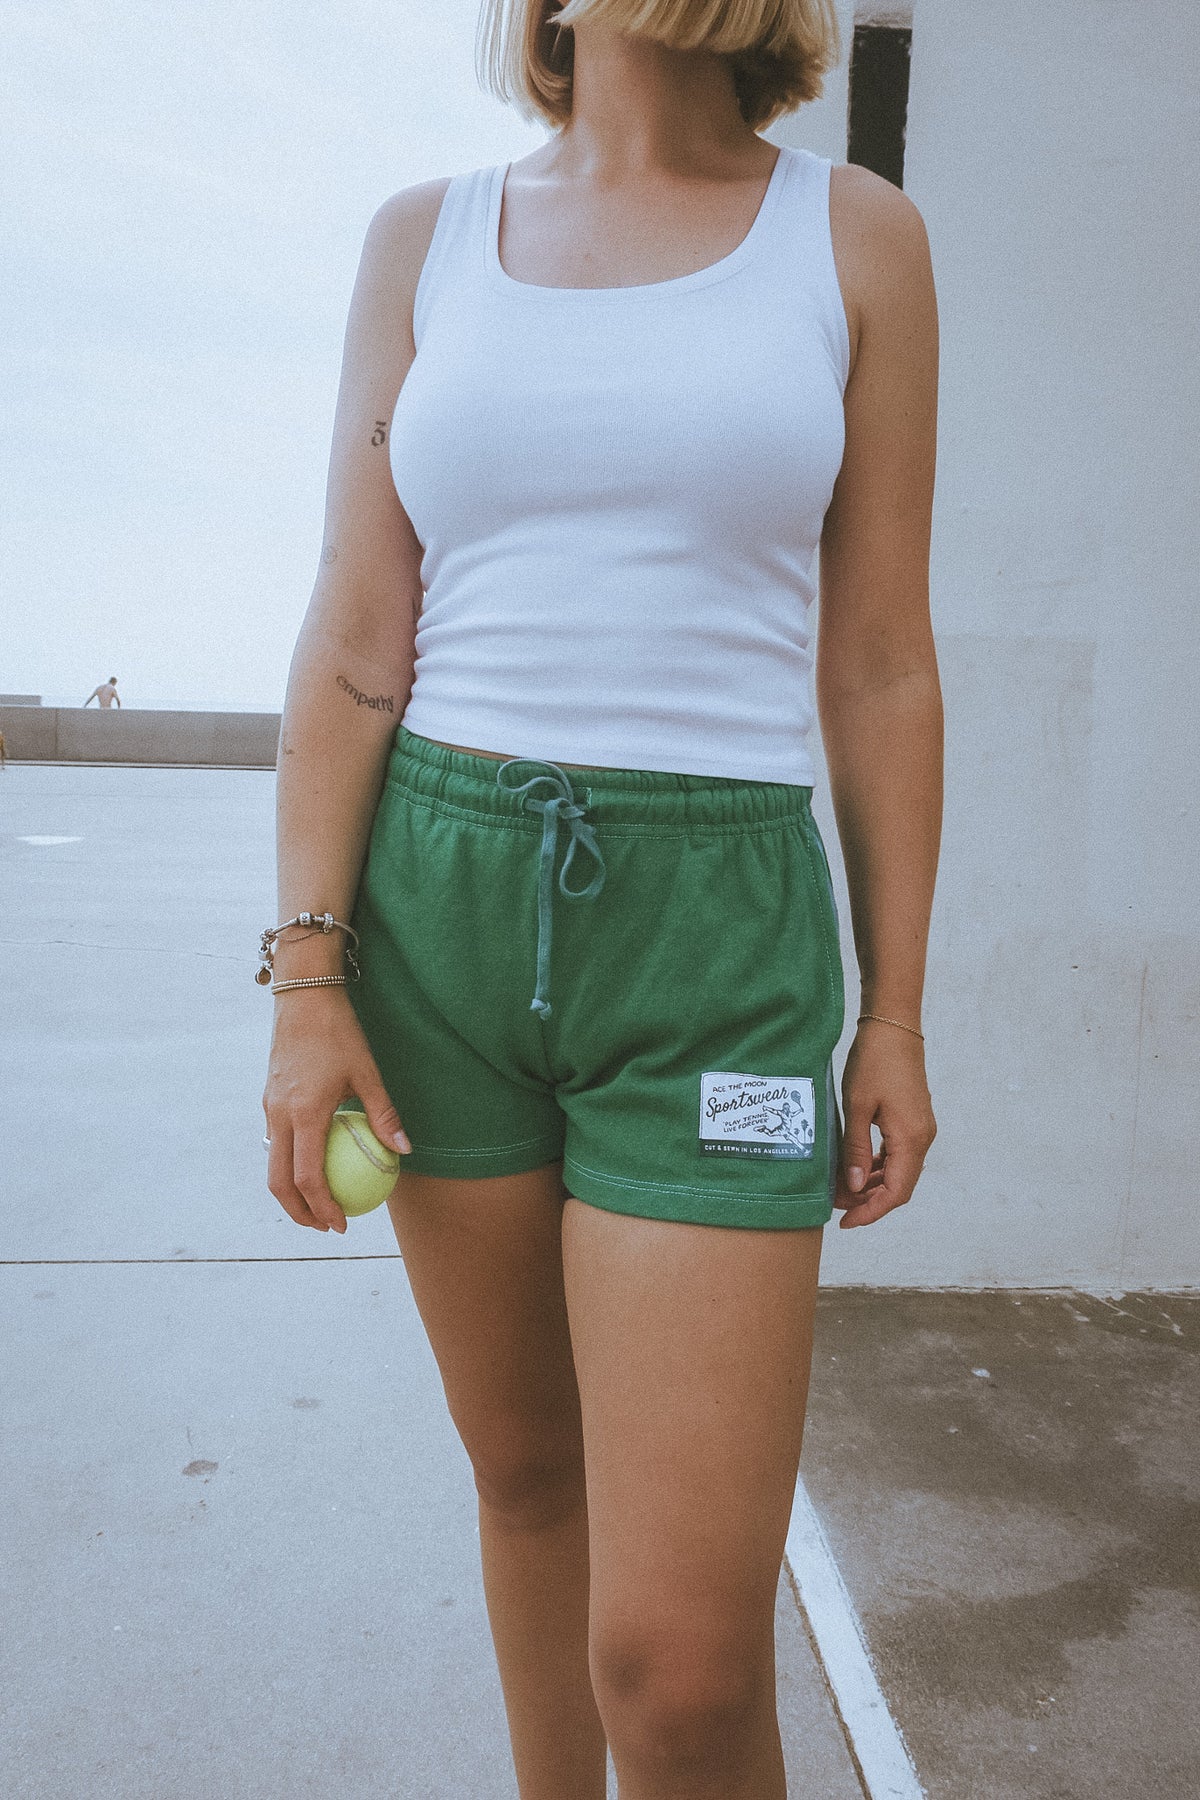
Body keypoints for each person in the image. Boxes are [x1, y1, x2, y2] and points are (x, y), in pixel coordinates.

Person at [261, 1, 941, 1794]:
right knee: (527, 1480)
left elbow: (878, 664)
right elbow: (353, 630)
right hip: (435, 913)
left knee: (686, 1666)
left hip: (718, 945)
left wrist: (893, 1012)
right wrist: (305, 983)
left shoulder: (856, 235)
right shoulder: (422, 237)